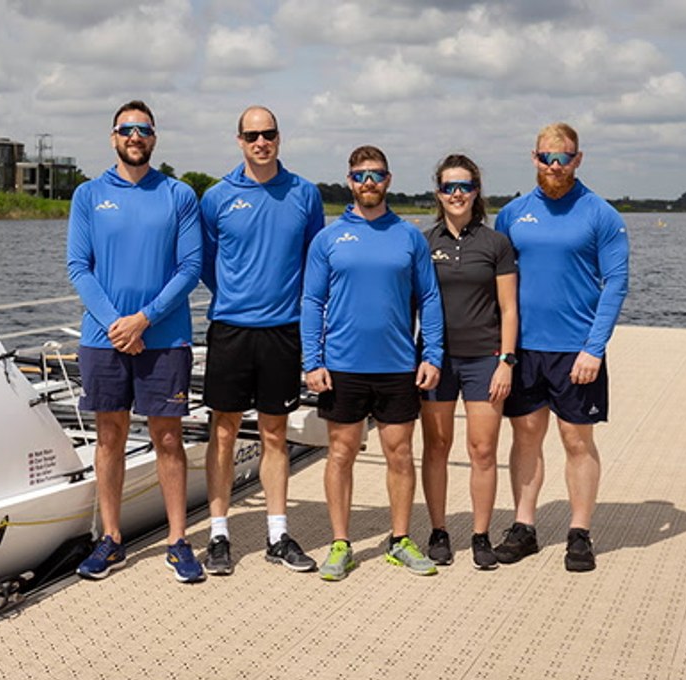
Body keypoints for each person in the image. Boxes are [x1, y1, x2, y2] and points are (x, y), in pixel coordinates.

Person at [67, 100, 205, 583]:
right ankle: (111, 539)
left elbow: (190, 268)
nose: (134, 136)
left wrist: (142, 320)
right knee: (110, 436)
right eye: (126, 129)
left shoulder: (178, 195)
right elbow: (78, 268)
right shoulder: (87, 195)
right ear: (113, 137)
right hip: (104, 340)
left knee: (168, 437)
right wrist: (115, 324)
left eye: (143, 129)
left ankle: (178, 540)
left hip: (164, 339)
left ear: (154, 138)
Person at [302, 145, 445, 581]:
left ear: (388, 179)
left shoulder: (408, 236)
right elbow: (312, 300)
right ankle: (340, 544)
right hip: (342, 366)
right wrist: (312, 359)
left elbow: (430, 299)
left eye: (376, 175)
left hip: (399, 365)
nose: (369, 182)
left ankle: (399, 540)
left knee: (400, 455)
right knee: (341, 453)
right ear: (349, 180)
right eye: (361, 175)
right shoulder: (328, 238)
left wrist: (432, 354)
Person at [493, 123, 630, 572]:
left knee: (576, 440)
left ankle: (579, 533)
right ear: (533, 158)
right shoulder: (512, 214)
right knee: (526, 437)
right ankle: (524, 527)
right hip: (524, 350)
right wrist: (502, 351)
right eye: (546, 157)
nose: (555, 166)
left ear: (578, 159)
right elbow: (499, 286)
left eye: (564, 157)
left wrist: (594, 347)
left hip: (577, 350)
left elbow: (616, 284)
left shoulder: (600, 214)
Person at [198, 106, 326, 576]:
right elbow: (207, 263)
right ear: (239, 140)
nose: (261, 142)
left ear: (279, 138)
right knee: (224, 431)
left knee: (275, 433)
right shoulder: (216, 197)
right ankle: (218, 535)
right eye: (252, 135)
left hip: (282, 330)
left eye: (268, 134)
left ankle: (276, 534)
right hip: (231, 328)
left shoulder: (305, 194)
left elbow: (316, 264)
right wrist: (236, 296)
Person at [418, 154, 518, 571]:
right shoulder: (425, 243)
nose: (456, 194)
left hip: (484, 358)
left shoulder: (495, 244)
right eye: (448, 187)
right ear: (438, 193)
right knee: (437, 446)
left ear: (477, 191)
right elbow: (410, 304)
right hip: (437, 360)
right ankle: (439, 531)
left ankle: (480, 534)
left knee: (482, 450)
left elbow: (509, 309)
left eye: (464, 186)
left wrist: (506, 362)